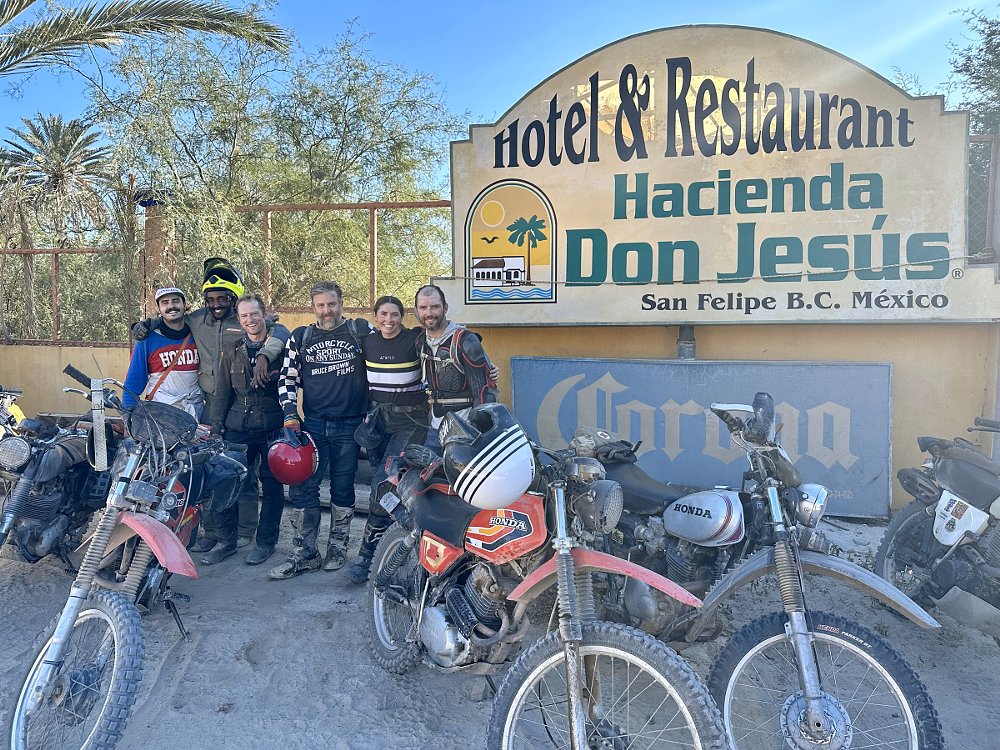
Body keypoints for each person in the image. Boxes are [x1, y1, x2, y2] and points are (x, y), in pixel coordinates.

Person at [269, 281, 373, 579]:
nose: (327, 311)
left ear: (342, 303)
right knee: (303, 486)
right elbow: (287, 378)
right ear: (313, 308)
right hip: (312, 424)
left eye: (331, 304)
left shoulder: (361, 333)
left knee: (342, 487)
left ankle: (338, 548)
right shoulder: (302, 337)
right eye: (320, 305)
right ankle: (305, 553)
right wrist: (291, 414)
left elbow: (388, 357)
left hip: (351, 425)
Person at [203, 294, 291, 566]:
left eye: (254, 314)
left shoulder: (283, 344)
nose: (250, 320)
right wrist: (216, 429)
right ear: (239, 320)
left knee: (273, 487)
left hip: (272, 425)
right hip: (238, 426)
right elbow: (222, 392)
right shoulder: (232, 349)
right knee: (226, 480)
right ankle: (226, 541)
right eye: (244, 316)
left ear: (264, 314)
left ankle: (266, 543)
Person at [345, 295, 427, 584]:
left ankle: (366, 558)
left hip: (411, 423)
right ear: (376, 316)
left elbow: (454, 341)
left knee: (383, 484)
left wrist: (487, 369)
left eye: (395, 315)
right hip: (377, 423)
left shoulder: (416, 340)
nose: (389, 320)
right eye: (383, 314)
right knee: (385, 489)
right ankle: (396, 545)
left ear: (402, 316)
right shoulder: (366, 341)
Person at [414, 284, 498, 448]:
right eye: (423, 307)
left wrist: (478, 429)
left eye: (435, 307)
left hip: (466, 428)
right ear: (416, 310)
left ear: (445, 308)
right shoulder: (420, 341)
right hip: (436, 426)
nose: (429, 313)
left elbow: (483, 390)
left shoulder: (465, 340)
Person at [123, 287, 202, 417]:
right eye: (165, 302)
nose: (171, 306)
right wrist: (128, 414)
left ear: (184, 305)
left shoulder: (197, 334)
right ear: (159, 309)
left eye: (176, 301)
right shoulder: (147, 339)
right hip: (162, 412)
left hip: (196, 410)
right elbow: (133, 382)